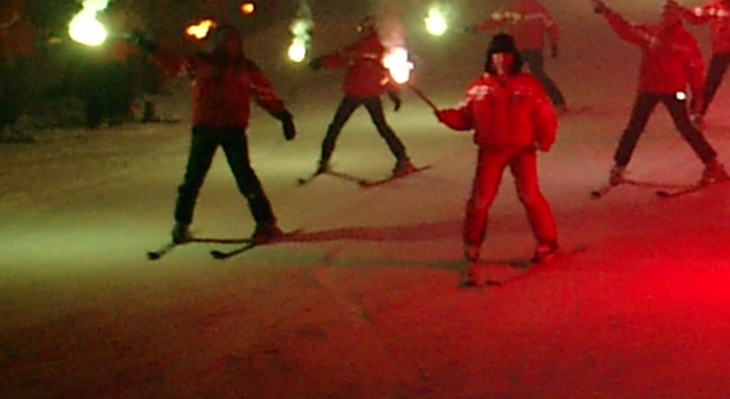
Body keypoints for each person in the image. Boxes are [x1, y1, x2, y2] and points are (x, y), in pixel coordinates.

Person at [145, 24, 295, 244]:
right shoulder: (203, 63)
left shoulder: (244, 68)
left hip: (232, 129)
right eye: (224, 41)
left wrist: (282, 115)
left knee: (244, 177)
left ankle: (265, 222)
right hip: (205, 128)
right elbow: (175, 63)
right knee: (193, 178)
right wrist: (151, 48)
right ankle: (181, 223)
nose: (228, 45)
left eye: (231, 41)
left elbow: (264, 94)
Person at [435, 33, 560, 284]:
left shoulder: (527, 85)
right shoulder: (478, 88)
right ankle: (472, 244)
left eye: (506, 56)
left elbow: (544, 115)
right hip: (491, 150)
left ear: (514, 58)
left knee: (530, 194)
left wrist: (545, 138)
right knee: (481, 199)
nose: (501, 60)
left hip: (522, 149)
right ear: (490, 59)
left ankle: (547, 242)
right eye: (497, 56)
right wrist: (449, 118)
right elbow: (467, 117)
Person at [592, 0, 730, 186]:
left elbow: (695, 69)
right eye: (664, 13)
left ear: (677, 17)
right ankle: (619, 166)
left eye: (669, 14)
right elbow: (626, 29)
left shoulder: (686, 42)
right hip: (648, 89)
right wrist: (607, 12)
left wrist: (698, 95)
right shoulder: (652, 33)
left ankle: (712, 164)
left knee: (685, 127)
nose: (665, 17)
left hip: (674, 90)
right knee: (634, 127)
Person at [312, 17, 413, 178]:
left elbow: (339, 58)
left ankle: (324, 160)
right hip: (360, 93)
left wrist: (322, 62)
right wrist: (393, 94)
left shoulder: (367, 49)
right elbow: (386, 74)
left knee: (337, 126)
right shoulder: (373, 49)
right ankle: (402, 158)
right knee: (379, 127)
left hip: (362, 93)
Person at [474, 0, 566, 110]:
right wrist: (554, 44)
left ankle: (508, 104)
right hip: (535, 47)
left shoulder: (512, 8)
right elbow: (551, 27)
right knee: (539, 75)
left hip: (518, 48)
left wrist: (476, 28)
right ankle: (558, 102)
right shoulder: (538, 8)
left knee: (510, 77)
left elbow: (494, 20)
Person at [0, 0, 38, 143]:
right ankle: (3, 126)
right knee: (14, 92)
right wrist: (7, 54)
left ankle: (7, 126)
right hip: (18, 57)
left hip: (22, 55)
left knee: (17, 92)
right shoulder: (14, 11)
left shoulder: (20, 13)